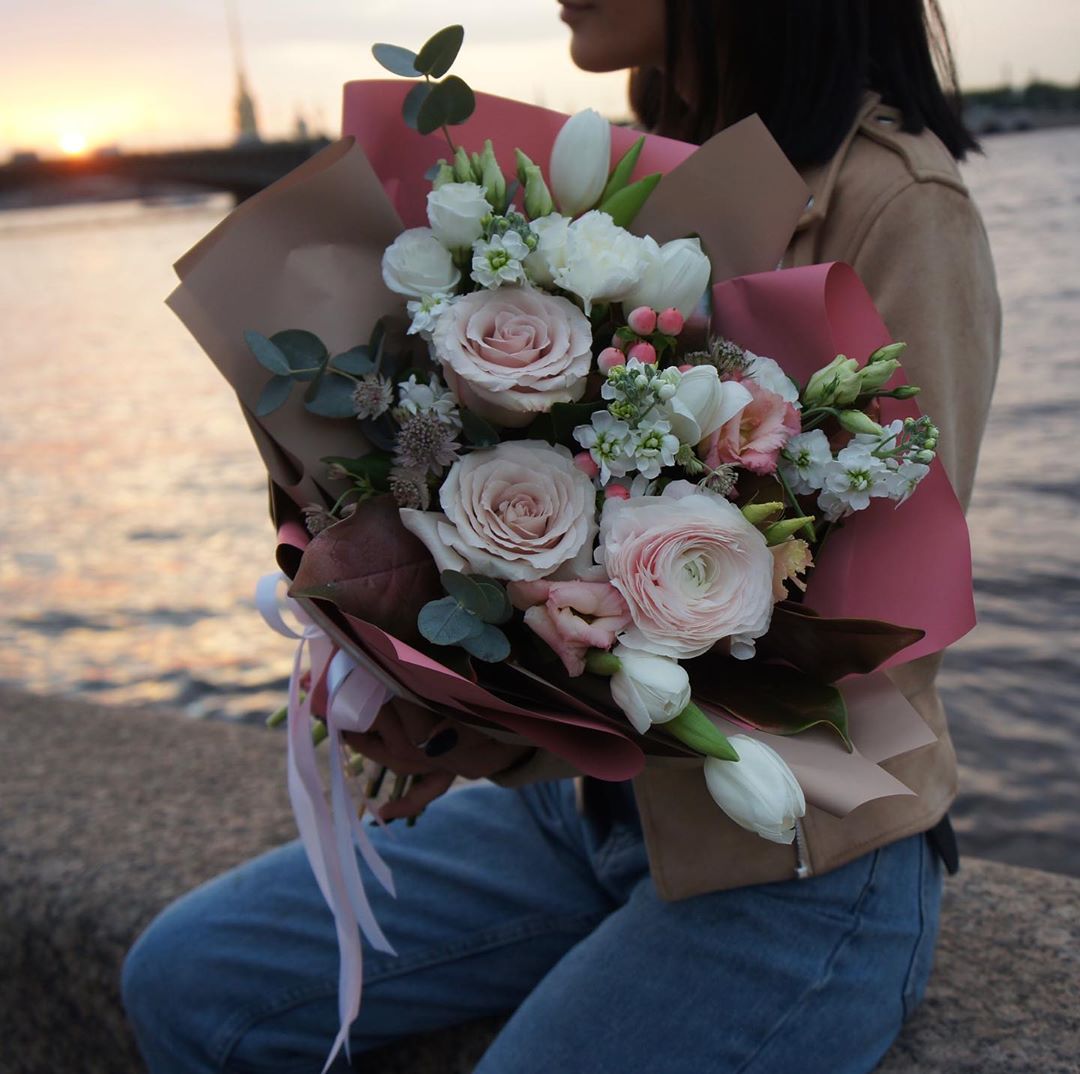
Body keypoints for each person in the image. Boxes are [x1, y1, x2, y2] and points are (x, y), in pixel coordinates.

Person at [121, 2, 1000, 1070]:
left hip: (798, 857)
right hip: (586, 814)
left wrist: (512, 723)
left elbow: (869, 627)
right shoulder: (627, 185)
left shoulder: (899, 204)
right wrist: (433, 676)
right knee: (188, 981)